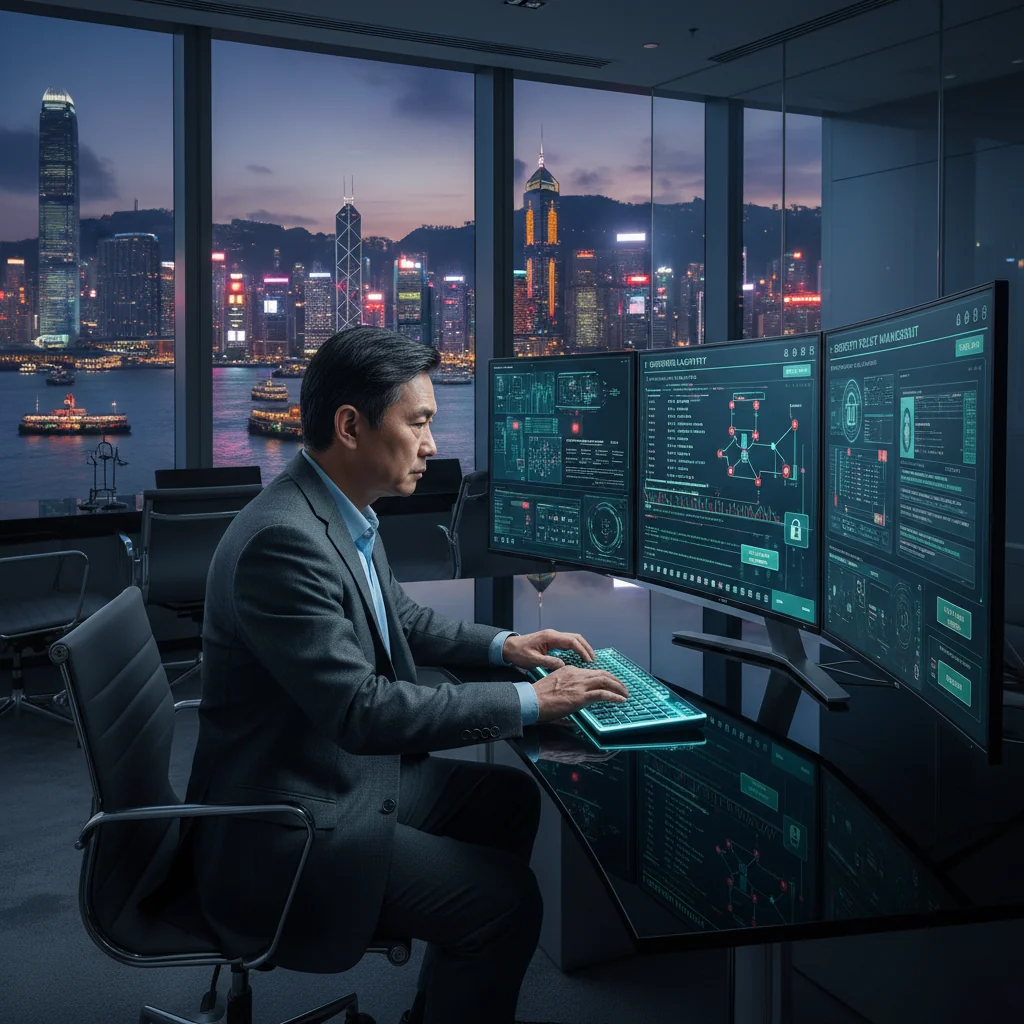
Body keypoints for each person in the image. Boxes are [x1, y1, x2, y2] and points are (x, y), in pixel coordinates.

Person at [181, 327, 629, 1024]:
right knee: (506, 903)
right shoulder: (283, 542)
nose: (431, 445)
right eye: (418, 423)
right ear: (351, 426)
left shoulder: (338, 511)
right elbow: (362, 713)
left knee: (508, 804)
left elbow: (405, 622)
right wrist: (532, 702)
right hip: (288, 825)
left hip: (329, 777)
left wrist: (507, 646)